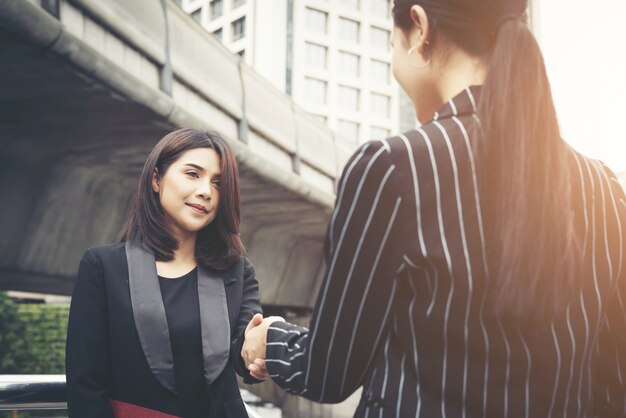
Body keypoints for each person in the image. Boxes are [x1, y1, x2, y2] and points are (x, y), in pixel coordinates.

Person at [242, 0, 626, 416]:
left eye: (391, 44)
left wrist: (273, 340)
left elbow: (329, 372)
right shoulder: (603, 190)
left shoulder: (392, 169)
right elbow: (613, 384)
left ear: (420, 28)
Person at [66, 128, 267, 418]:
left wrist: (259, 351)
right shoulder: (103, 267)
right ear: (157, 179)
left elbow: (242, 349)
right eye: (192, 174)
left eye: (218, 183)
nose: (206, 191)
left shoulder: (237, 271)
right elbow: (85, 386)